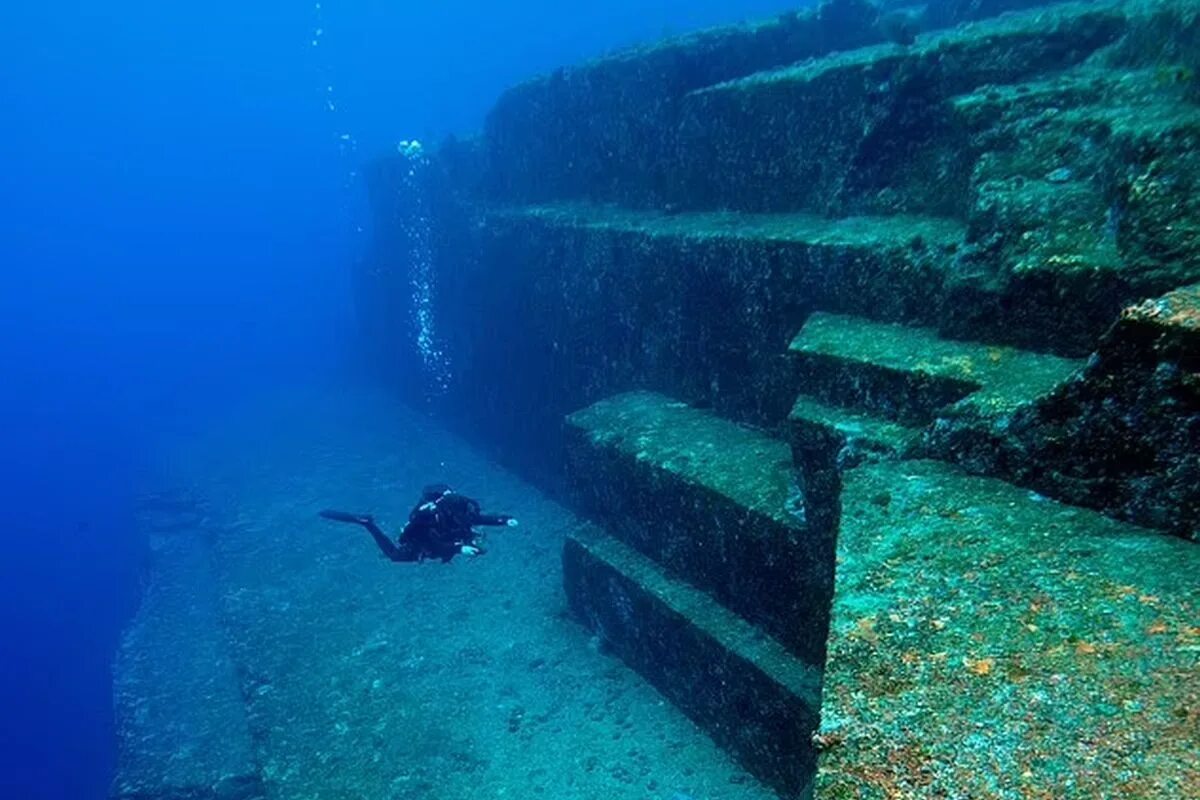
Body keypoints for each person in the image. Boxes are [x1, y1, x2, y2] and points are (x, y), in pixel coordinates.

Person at [320, 484, 517, 563]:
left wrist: (504, 520)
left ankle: (366, 522)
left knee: (472, 547)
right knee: (395, 556)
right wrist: (458, 549)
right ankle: (366, 523)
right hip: (423, 542)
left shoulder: (458, 513)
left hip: (446, 541)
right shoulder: (429, 520)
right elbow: (435, 545)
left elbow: (482, 519)